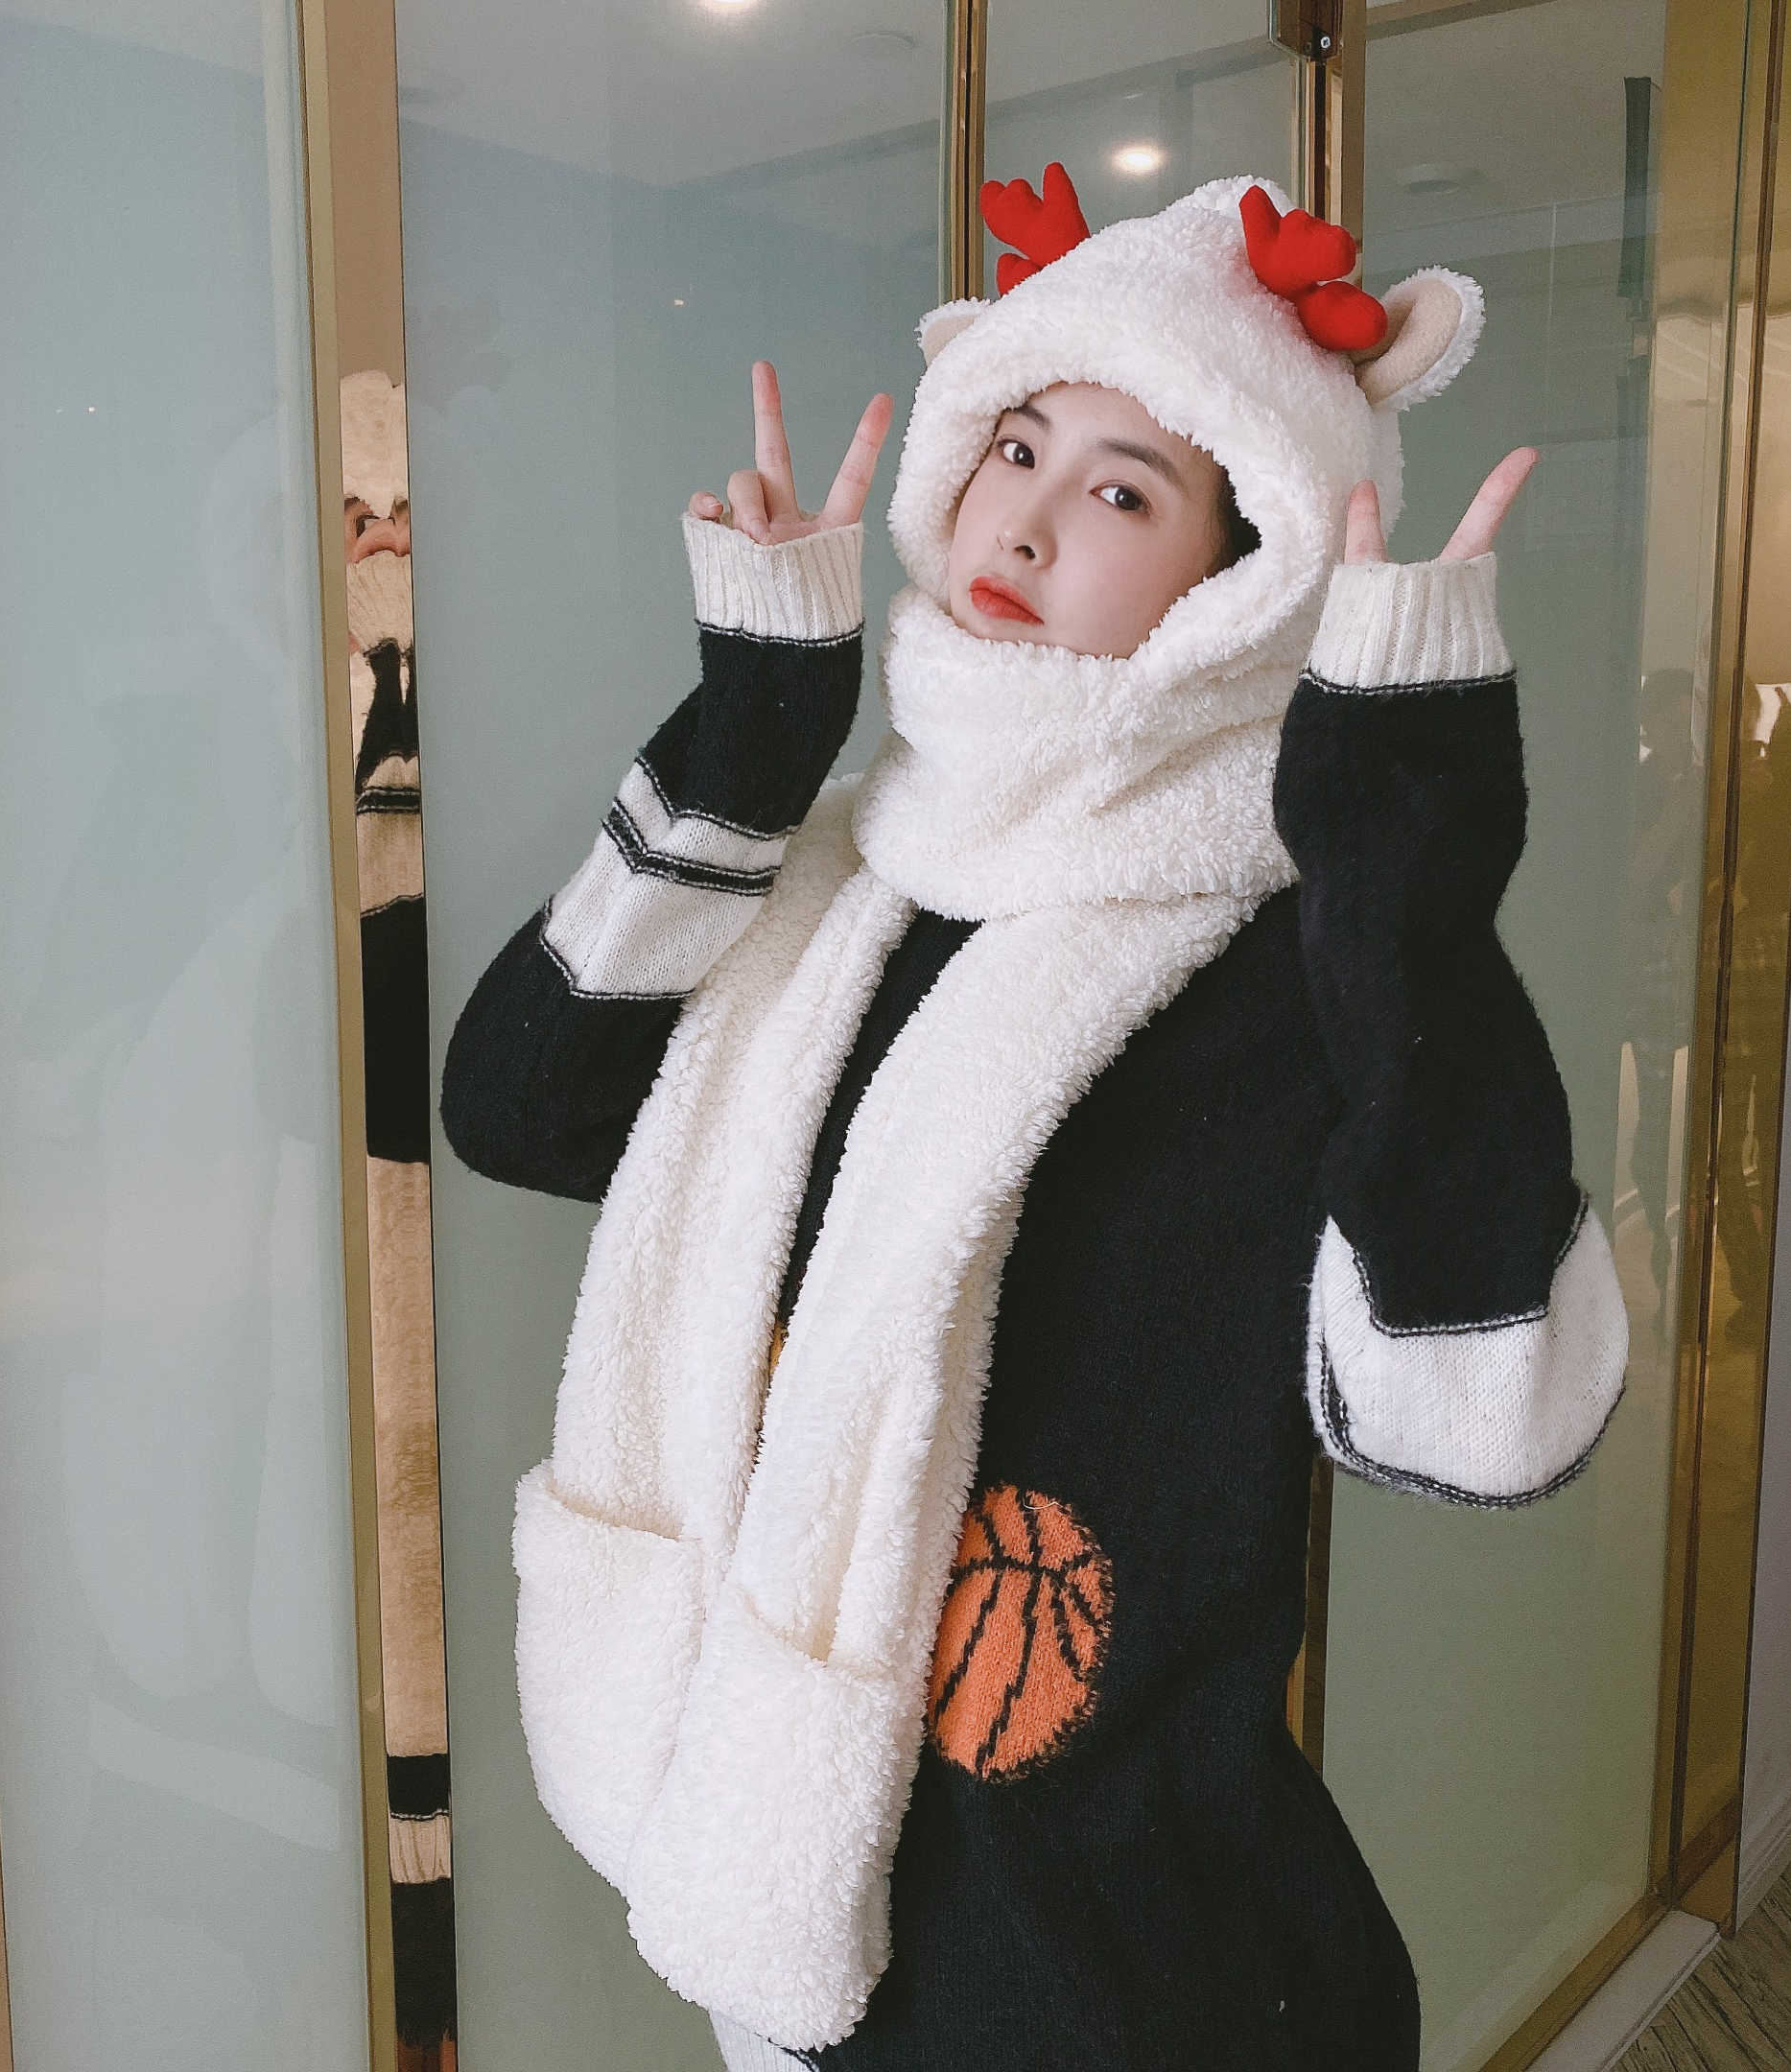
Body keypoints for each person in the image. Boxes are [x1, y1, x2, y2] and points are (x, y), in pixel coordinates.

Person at [439, 172, 1629, 2072]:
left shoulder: (1273, 969)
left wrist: (1402, 871)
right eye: (1016, 443)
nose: (1030, 515)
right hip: (773, 1888)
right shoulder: (841, 881)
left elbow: (1489, 1416)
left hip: (1117, 1971)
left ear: (1240, 580)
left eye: (1126, 490)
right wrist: (756, 723)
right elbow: (519, 1105)